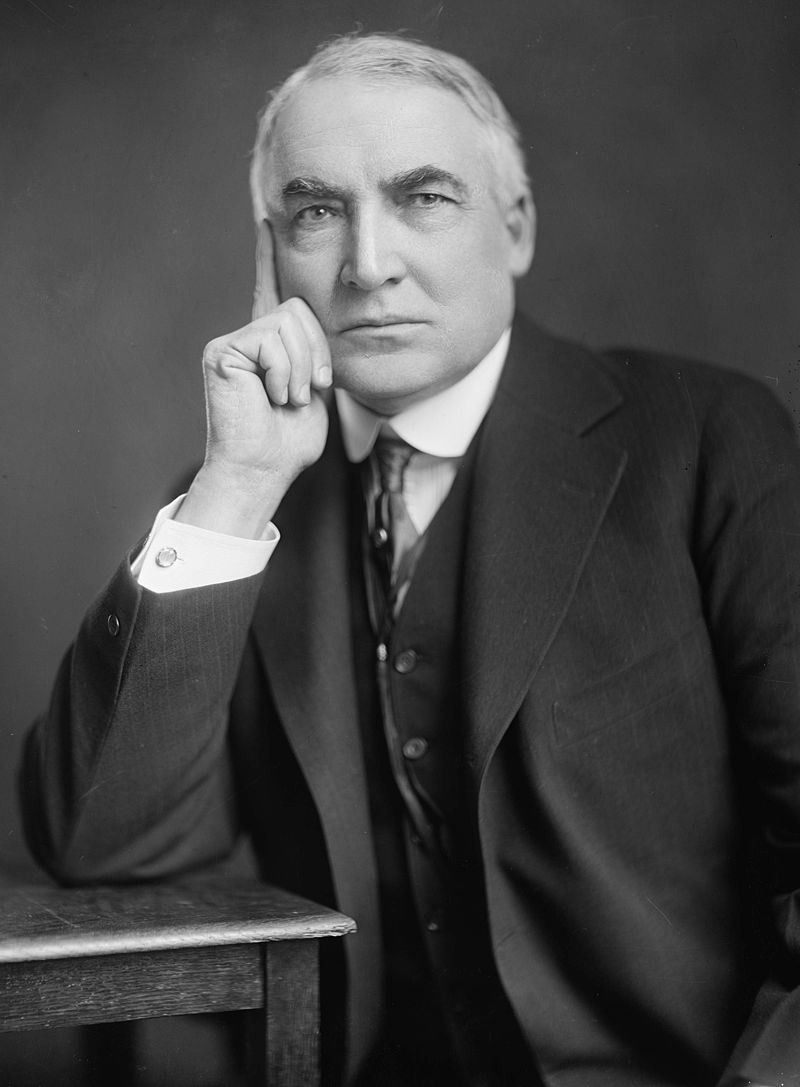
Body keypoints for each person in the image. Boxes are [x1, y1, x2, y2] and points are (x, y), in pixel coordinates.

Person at [20, 32, 800, 1087]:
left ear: (515, 228)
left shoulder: (707, 441)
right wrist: (237, 486)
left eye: (423, 197)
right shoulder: (236, 507)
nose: (368, 264)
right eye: (316, 211)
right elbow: (98, 844)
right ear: (270, 254)